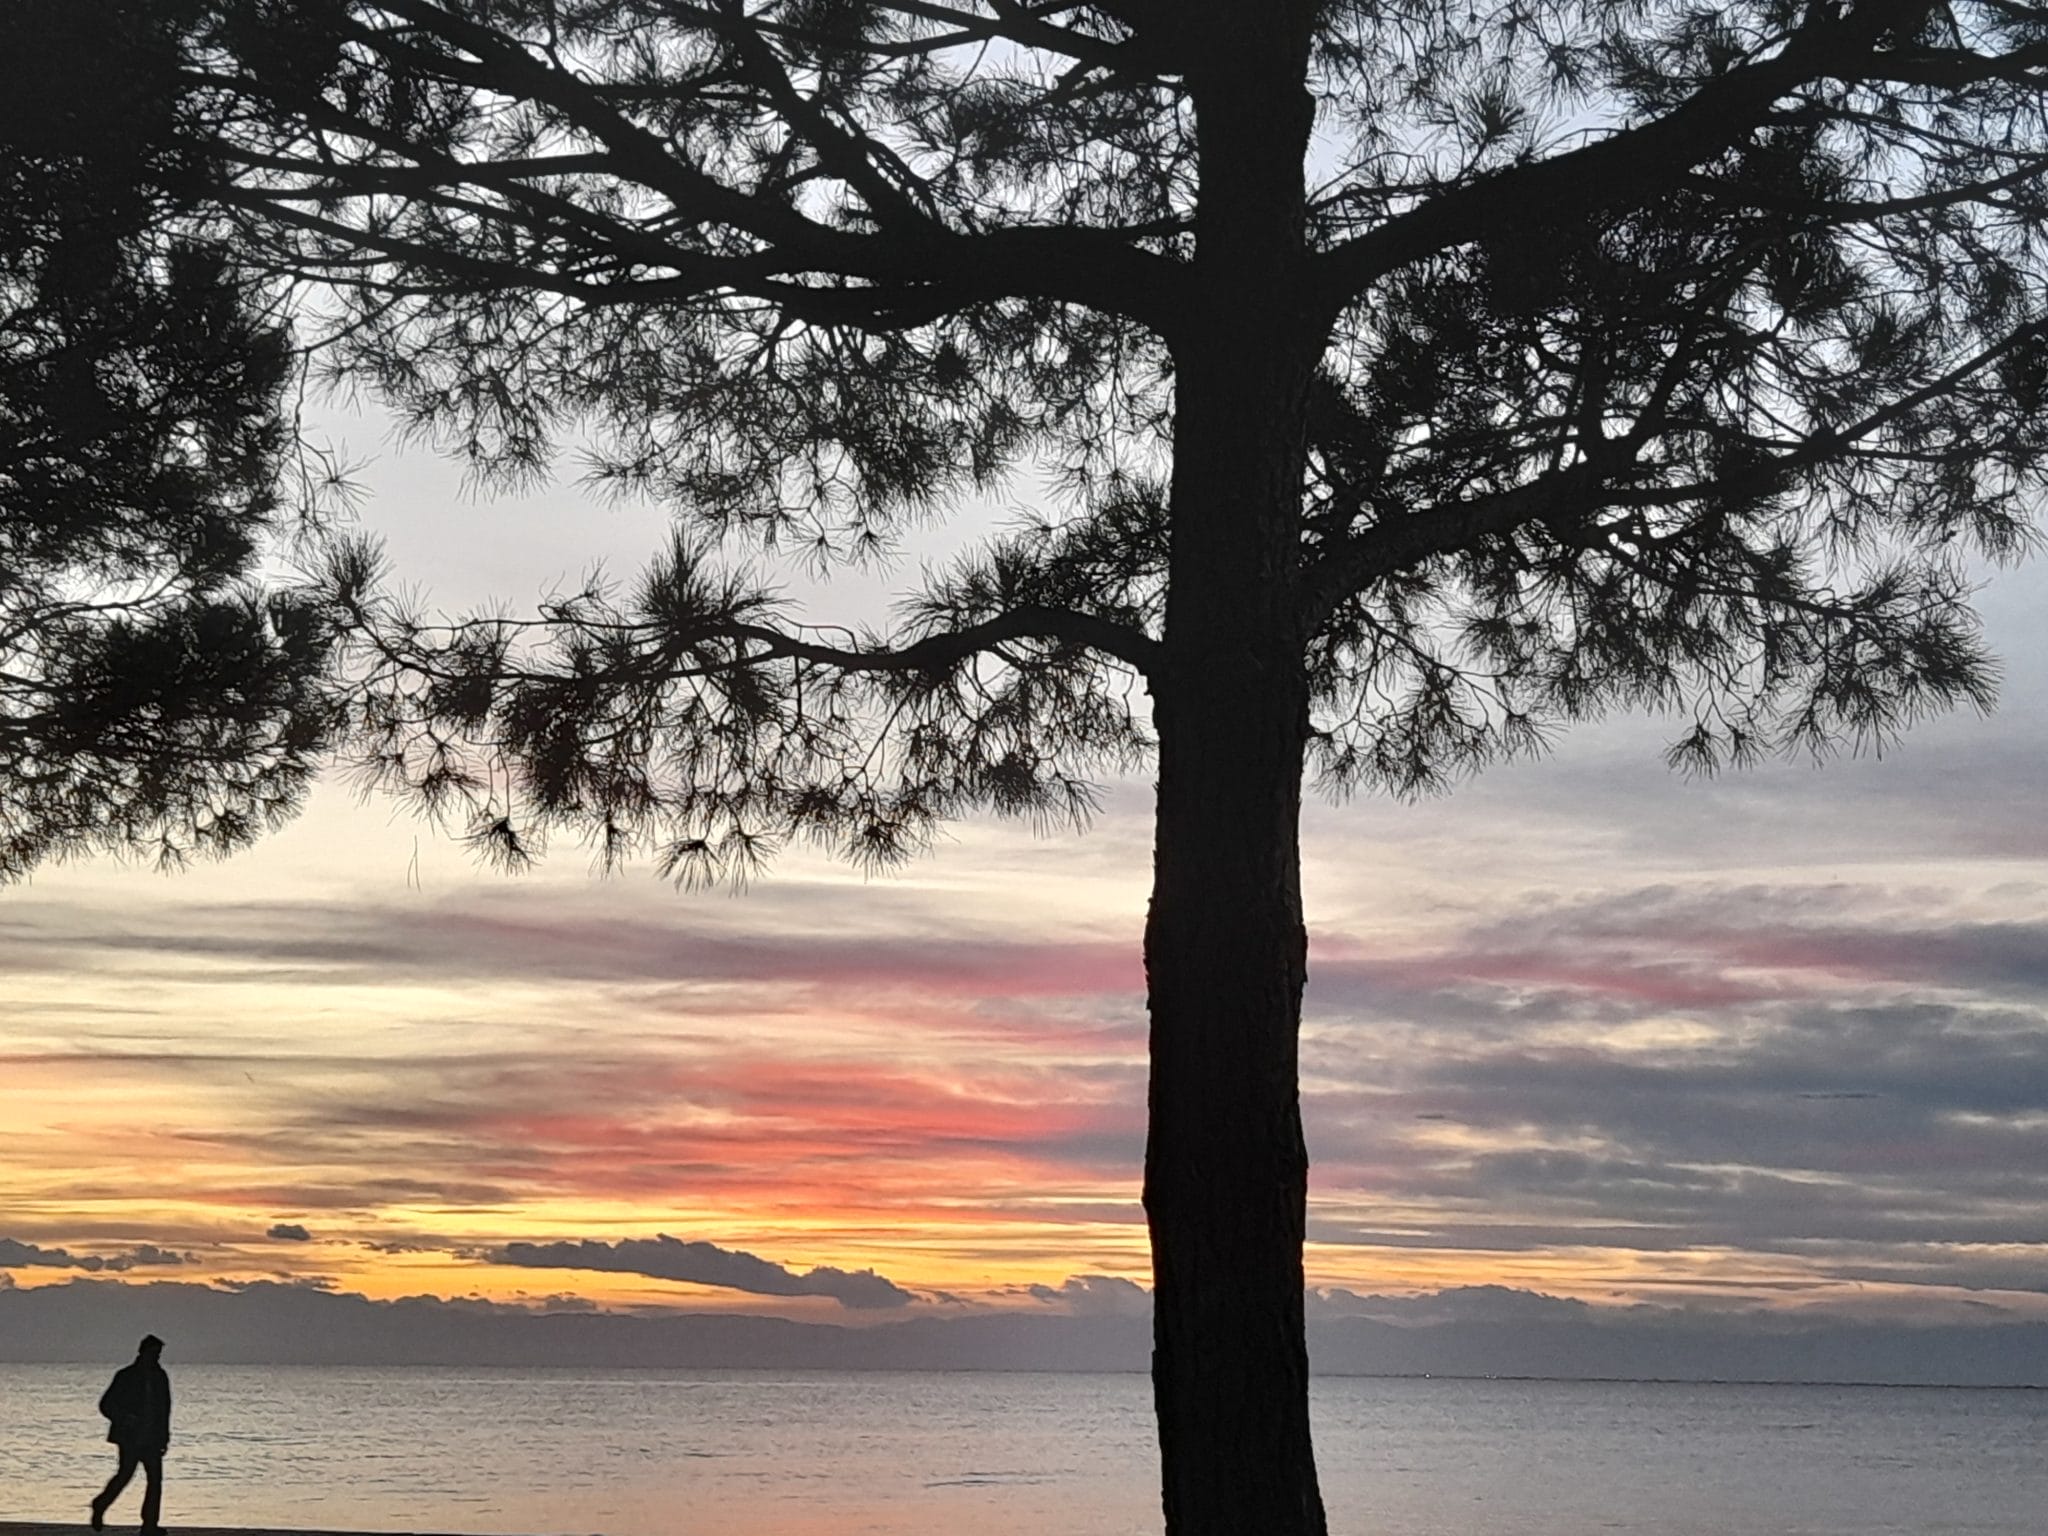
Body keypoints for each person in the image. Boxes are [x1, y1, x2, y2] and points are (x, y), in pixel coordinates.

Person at [90, 1334, 171, 1534]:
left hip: (152, 1438)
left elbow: (165, 1409)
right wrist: (125, 1418)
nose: (156, 1358)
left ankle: (149, 1525)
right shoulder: (126, 1376)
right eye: (153, 1354)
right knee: (125, 1475)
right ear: (142, 1352)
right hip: (130, 1437)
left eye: (158, 1355)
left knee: (155, 1480)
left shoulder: (160, 1377)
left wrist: (164, 1436)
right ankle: (100, 1504)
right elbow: (106, 1405)